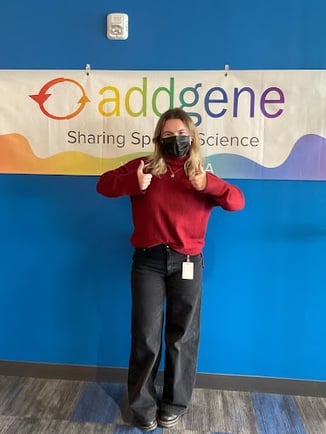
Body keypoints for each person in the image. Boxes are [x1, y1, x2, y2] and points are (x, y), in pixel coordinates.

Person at [96, 108, 245, 431]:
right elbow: (103, 185)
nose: (174, 141)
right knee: (146, 336)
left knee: (183, 337)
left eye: (180, 135)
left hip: (188, 263)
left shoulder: (202, 174)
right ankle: (142, 406)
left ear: (191, 137)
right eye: (167, 136)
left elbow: (237, 202)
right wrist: (131, 182)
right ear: (157, 139)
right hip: (148, 262)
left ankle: (174, 403)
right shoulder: (144, 167)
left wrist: (210, 185)